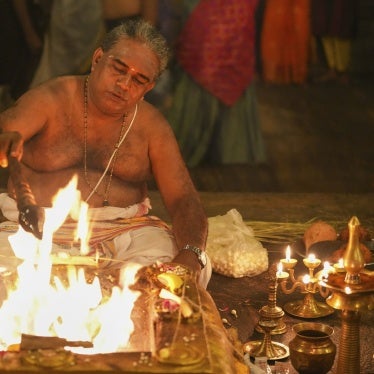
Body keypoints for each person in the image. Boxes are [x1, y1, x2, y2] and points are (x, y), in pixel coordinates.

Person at [0, 19, 211, 288]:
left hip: (126, 235)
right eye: (118, 69)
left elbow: (183, 198)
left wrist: (191, 256)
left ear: (149, 88)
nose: (124, 84)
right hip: (37, 232)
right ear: (98, 58)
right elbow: (5, 132)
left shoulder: (152, 126)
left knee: (178, 273)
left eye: (139, 79)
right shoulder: (51, 98)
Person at [166, 0, 266, 166]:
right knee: (202, 56)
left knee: (230, 58)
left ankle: (230, 148)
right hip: (203, 10)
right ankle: (197, 145)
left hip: (236, 9)